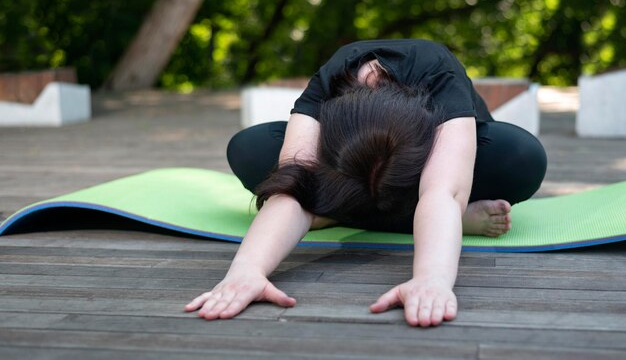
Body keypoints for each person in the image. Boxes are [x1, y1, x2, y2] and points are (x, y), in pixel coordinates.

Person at [184, 39, 547, 327]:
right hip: (345, 172)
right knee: (251, 148)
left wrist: (431, 280)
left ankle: (334, 213)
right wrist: (246, 270)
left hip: (439, 169)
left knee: (521, 155)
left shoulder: (438, 74)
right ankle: (433, 219)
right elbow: (294, 186)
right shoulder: (330, 81)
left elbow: (442, 191)